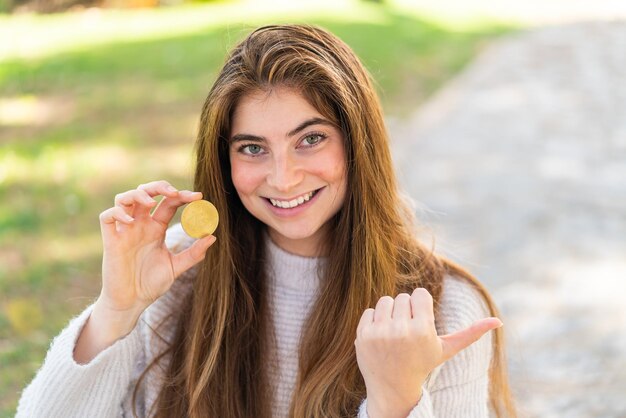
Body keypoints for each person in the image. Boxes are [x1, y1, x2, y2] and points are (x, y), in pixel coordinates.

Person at [16, 24, 516, 418]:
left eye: (311, 139)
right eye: (253, 148)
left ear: (357, 142)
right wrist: (116, 311)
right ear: (224, 163)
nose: (283, 178)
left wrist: (393, 403)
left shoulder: (442, 311)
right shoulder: (174, 272)